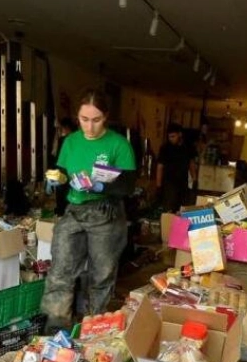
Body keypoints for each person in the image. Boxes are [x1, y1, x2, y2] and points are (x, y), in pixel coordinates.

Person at [42, 90, 137, 330]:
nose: (90, 126)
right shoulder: (70, 141)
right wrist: (57, 179)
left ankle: (95, 329)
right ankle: (55, 329)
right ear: (77, 117)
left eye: (96, 120)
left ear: (106, 117)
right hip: (75, 210)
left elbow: (127, 185)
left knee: (101, 276)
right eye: (84, 119)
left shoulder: (119, 144)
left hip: (106, 212)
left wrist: (101, 185)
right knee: (60, 271)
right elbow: (61, 170)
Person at [155, 123, 196, 213]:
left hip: (183, 184)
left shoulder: (188, 147)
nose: (171, 139)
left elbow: (191, 164)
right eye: (169, 137)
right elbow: (160, 167)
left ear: (180, 134)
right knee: (169, 210)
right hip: (169, 184)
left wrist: (194, 180)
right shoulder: (165, 148)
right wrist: (158, 186)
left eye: (173, 136)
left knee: (182, 211)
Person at [50, 117, 76, 214]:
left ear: (66, 128)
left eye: (61, 129)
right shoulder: (78, 140)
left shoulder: (65, 140)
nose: (60, 131)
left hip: (64, 172)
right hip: (74, 173)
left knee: (63, 199)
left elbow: (59, 159)